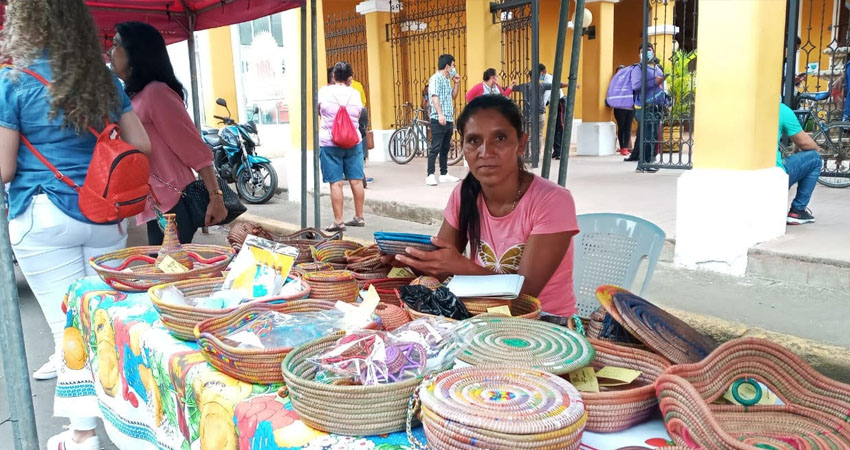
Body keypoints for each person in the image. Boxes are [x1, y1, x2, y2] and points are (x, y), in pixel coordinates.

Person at [0, 0, 151, 448]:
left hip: (44, 217)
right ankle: (129, 423)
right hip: (104, 216)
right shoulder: (101, 78)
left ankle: (82, 432)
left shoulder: (13, 80)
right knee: (104, 321)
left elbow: (5, 169)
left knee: (69, 327)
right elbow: (140, 143)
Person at [391, 95, 580, 320]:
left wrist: (460, 266)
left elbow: (525, 295)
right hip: (481, 317)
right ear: (463, 147)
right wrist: (406, 258)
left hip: (545, 323)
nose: (485, 152)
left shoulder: (553, 201)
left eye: (500, 138)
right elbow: (441, 266)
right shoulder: (464, 193)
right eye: (473, 140)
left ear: (521, 143)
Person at [109, 22, 227, 245]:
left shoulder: (156, 93)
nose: (110, 52)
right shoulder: (133, 97)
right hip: (152, 203)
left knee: (170, 271)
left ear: (136, 51)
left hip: (173, 201)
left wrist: (215, 196)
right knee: (165, 270)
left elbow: (194, 149)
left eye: (116, 44)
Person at [318, 61, 366, 232]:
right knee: (356, 180)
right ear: (349, 78)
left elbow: (319, 110)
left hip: (330, 143)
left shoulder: (324, 91)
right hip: (353, 142)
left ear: (333, 76)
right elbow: (360, 113)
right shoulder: (355, 94)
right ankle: (359, 217)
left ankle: (339, 221)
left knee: (336, 184)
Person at [626, 44, 667, 173]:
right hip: (644, 106)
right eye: (642, 51)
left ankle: (649, 161)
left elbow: (662, 87)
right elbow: (636, 86)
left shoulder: (657, 68)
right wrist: (655, 82)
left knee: (653, 136)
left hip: (657, 106)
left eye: (648, 51)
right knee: (647, 135)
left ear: (653, 52)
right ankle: (642, 164)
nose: (646, 53)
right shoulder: (638, 68)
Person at [778, 102, 821, 224]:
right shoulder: (780, 109)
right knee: (815, 158)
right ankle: (797, 210)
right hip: (774, 172)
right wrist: (816, 148)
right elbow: (805, 143)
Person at [514, 64, 568, 159]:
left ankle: (528, 154)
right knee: (539, 134)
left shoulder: (524, 86)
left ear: (530, 77)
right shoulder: (542, 85)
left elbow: (511, 88)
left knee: (528, 134)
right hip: (540, 114)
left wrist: (510, 85)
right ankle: (536, 155)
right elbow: (557, 85)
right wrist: (570, 84)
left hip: (529, 114)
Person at [426, 53, 462, 186]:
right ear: (447, 66)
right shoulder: (435, 79)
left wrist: (457, 83)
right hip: (438, 118)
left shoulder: (447, 79)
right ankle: (430, 175)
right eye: (453, 65)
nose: (454, 68)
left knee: (445, 147)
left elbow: (453, 96)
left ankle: (444, 173)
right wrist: (440, 114)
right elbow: (435, 97)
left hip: (448, 118)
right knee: (435, 147)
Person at [607, 64, 638, 156]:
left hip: (630, 108)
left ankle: (625, 147)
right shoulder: (614, 83)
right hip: (619, 108)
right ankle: (622, 148)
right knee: (621, 128)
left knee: (628, 128)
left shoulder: (631, 81)